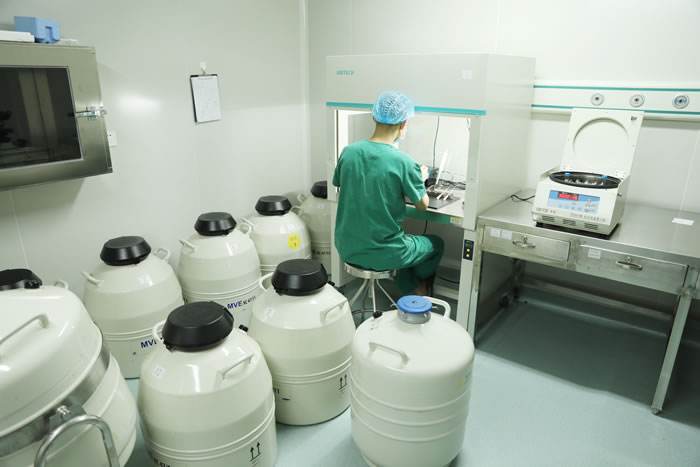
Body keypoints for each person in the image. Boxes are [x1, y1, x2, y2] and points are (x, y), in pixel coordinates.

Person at [332, 91, 444, 295]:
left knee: (407, 242)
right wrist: (419, 179)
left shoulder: (349, 152)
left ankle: (408, 290)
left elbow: (341, 183)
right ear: (403, 124)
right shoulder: (404, 162)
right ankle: (417, 292)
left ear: (374, 117)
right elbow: (422, 205)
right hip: (385, 253)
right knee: (436, 244)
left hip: (347, 247)